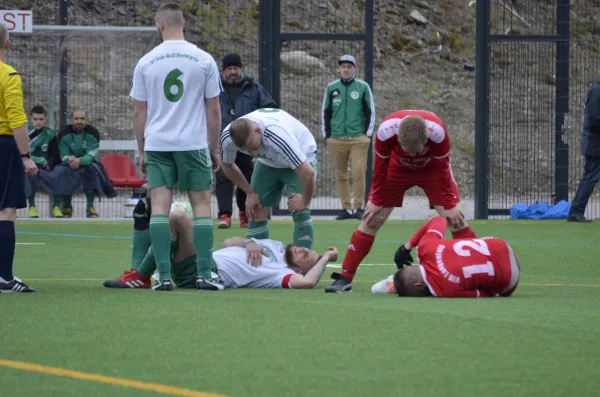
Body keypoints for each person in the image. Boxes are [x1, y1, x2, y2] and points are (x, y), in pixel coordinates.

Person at [325, 109, 470, 293]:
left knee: (454, 219)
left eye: (414, 151)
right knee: (371, 218)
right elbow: (380, 166)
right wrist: (376, 198)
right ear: (398, 138)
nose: (410, 155)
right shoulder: (386, 131)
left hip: (432, 169)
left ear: (426, 140)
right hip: (396, 169)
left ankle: (476, 273)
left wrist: (450, 204)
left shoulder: (438, 132)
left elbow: (443, 169)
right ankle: (345, 278)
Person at [131, 2, 223, 291]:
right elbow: (214, 110)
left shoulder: (146, 62)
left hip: (158, 143)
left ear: (159, 24)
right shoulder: (203, 59)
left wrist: (142, 149)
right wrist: (215, 148)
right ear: (183, 24)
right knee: (202, 207)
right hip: (193, 144)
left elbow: (138, 113)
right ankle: (205, 276)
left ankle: (165, 278)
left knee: (159, 208)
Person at [103, 197, 337, 290]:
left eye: (305, 256)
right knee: (173, 221)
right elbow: (228, 242)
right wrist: (248, 242)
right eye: (307, 249)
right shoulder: (275, 246)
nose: (304, 249)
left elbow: (308, 282)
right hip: (206, 258)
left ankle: (141, 275)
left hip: (203, 274)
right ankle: (141, 271)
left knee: (177, 217)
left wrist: (325, 258)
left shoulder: (281, 273)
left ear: (297, 268)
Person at [220, 108, 317, 249]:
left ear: (259, 131)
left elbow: (308, 173)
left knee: (300, 212)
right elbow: (227, 166)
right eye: (246, 150)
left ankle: (302, 266)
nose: (252, 152)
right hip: (268, 162)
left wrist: (305, 201)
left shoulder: (277, 135)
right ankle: (258, 263)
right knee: (255, 209)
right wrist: (249, 192)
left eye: (252, 146)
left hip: (302, 158)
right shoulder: (227, 138)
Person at [370, 216, 520, 298]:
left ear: (418, 285)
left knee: (474, 282)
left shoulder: (445, 291)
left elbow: (484, 294)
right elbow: (439, 220)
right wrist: (407, 247)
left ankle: (397, 286)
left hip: (511, 279)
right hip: (499, 244)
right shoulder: (425, 249)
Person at [216, 53, 277, 229]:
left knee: (247, 176)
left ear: (241, 69)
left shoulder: (254, 88)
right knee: (223, 177)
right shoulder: (214, 88)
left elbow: (270, 108)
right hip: (223, 140)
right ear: (224, 70)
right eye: (229, 69)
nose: (233, 72)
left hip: (246, 141)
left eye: (236, 68)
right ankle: (224, 215)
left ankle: (244, 213)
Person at [0, 23, 37, 293]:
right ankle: (4, 277)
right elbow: (16, 119)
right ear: (7, 44)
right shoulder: (8, 75)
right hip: (3, 146)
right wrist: (26, 156)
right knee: (5, 211)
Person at [322, 54, 375, 220]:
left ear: (354, 69)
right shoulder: (331, 88)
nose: (346, 69)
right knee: (341, 174)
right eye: (343, 66)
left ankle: (358, 208)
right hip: (336, 139)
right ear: (339, 69)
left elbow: (370, 111)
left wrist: (367, 134)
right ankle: (346, 208)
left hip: (358, 139)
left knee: (359, 172)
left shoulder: (362, 87)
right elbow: (326, 111)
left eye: (349, 67)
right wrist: (327, 135)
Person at [56, 108, 101, 218]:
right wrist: (70, 160)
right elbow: (63, 154)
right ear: (71, 120)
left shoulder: (93, 134)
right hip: (69, 164)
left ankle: (90, 208)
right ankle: (67, 207)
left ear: (86, 121)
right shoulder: (64, 134)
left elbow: (91, 155)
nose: (79, 121)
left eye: (82, 118)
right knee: (64, 171)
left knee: (92, 170)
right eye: (76, 118)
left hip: (87, 164)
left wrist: (80, 160)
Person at [568, 80, 600, 222]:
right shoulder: (597, 91)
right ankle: (576, 211)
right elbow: (594, 118)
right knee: (590, 177)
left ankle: (576, 211)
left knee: (590, 177)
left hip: (594, 143)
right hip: (595, 144)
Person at [26, 105, 61, 218]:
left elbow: (55, 154)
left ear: (45, 119)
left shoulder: (50, 134)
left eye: (41, 119)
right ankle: (32, 207)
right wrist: (36, 161)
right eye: (35, 119)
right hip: (28, 167)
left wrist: (49, 164)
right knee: (30, 173)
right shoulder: (24, 133)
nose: (38, 122)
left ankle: (56, 207)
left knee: (61, 171)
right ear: (30, 119)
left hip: (45, 167)